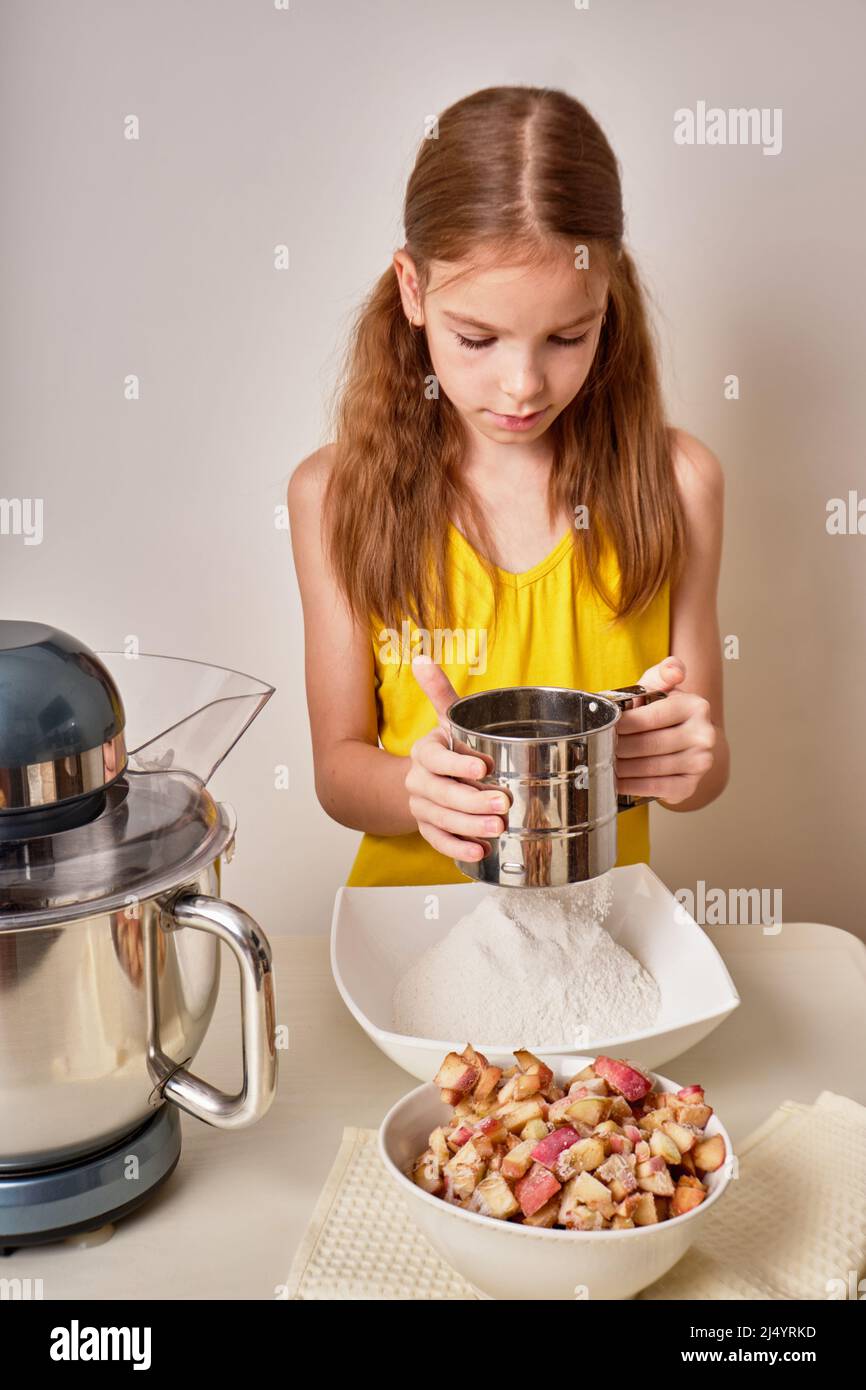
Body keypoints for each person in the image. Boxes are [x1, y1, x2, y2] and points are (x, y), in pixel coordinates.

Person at [288, 85, 729, 888]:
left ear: (608, 295)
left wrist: (681, 757)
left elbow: (705, 770)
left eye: (567, 336)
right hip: (411, 936)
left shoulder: (681, 482)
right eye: (478, 339)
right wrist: (418, 789)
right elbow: (338, 771)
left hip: (596, 936)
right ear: (415, 291)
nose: (522, 385)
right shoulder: (333, 496)